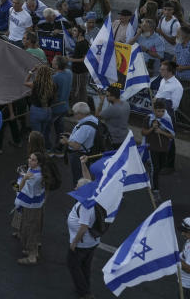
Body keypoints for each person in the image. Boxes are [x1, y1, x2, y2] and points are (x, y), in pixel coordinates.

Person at [67, 170, 101, 299]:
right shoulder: (92, 196)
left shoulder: (85, 206)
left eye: (77, 186)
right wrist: (82, 164)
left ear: (83, 190)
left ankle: (84, 292)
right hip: (91, 242)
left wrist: (74, 242)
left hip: (83, 244)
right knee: (85, 265)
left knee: (73, 264)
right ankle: (85, 287)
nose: (75, 188)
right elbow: (89, 182)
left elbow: (83, 227)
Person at [12, 152, 46, 266]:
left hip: (30, 206)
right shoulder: (38, 171)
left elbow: (18, 189)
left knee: (29, 229)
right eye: (30, 158)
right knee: (33, 227)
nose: (29, 161)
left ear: (39, 162)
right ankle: (33, 251)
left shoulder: (33, 177)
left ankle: (32, 255)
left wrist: (22, 179)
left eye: (33, 160)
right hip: (36, 204)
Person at [141, 98, 175, 200]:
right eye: (158, 111)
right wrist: (152, 128)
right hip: (152, 147)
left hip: (164, 148)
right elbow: (143, 133)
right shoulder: (148, 119)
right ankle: (155, 190)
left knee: (160, 167)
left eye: (163, 111)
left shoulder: (167, 120)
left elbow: (172, 135)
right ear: (154, 110)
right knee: (155, 169)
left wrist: (161, 131)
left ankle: (151, 173)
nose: (160, 113)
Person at [60, 102, 98, 185]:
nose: (73, 115)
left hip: (78, 155)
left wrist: (66, 141)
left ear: (80, 114)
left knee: (78, 179)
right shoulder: (93, 119)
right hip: (87, 152)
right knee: (83, 175)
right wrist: (72, 135)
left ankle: (78, 193)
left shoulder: (85, 128)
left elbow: (76, 146)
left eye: (75, 113)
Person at [95, 85, 130, 149]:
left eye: (107, 96)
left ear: (113, 97)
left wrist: (101, 102)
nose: (106, 97)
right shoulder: (126, 104)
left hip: (113, 140)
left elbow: (97, 115)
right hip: (124, 137)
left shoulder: (113, 108)